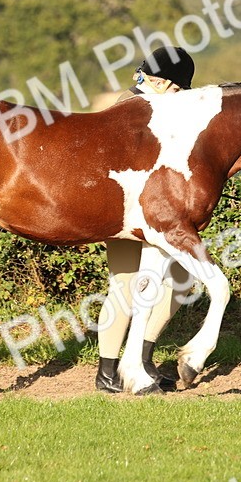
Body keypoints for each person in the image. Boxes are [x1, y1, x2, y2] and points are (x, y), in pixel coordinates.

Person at [95, 46, 195, 394]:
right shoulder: (129, 106)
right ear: (160, 82)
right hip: (123, 213)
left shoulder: (158, 105)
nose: (181, 97)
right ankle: (107, 371)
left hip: (156, 214)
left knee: (182, 279)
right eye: (179, 89)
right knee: (125, 285)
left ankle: (141, 356)